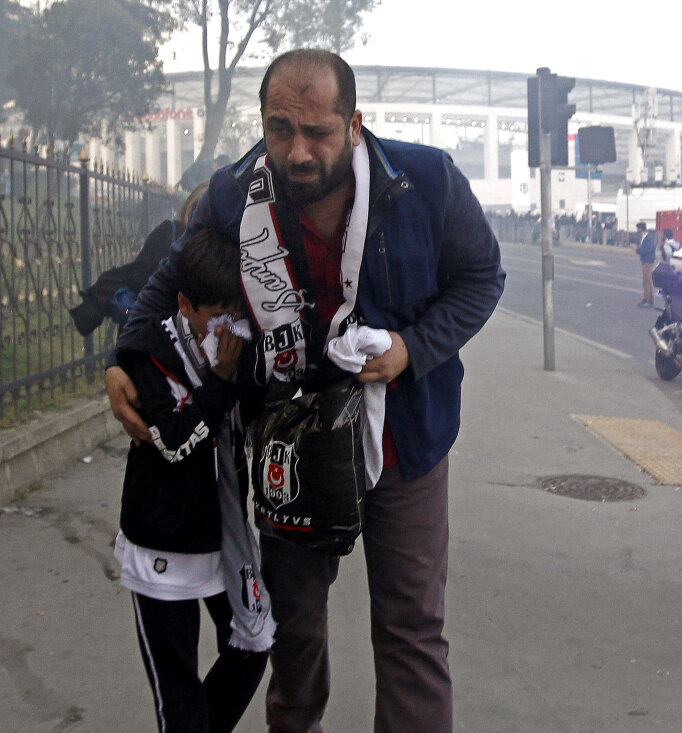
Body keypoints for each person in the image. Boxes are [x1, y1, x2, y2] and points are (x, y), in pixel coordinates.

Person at [104, 48, 505, 732]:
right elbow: (167, 272)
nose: (297, 151)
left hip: (403, 436)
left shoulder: (427, 181)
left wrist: (413, 348)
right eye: (279, 129)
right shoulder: (236, 192)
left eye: (317, 131)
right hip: (287, 441)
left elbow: (481, 279)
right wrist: (126, 354)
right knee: (294, 627)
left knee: (411, 627)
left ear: (354, 124)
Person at [113, 229, 269, 733]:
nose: (230, 328)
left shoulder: (237, 348)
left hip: (223, 537)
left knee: (254, 643)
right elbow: (176, 443)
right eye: (217, 315)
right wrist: (221, 381)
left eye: (237, 314)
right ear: (184, 304)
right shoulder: (148, 354)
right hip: (164, 542)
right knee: (177, 693)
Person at [70, 183, 210, 336]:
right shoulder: (168, 232)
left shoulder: (215, 245)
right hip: (147, 328)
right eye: (196, 209)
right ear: (188, 208)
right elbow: (140, 275)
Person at [635, 221, 657, 307]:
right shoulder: (646, 237)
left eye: (637, 228)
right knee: (648, 280)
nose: (637, 230)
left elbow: (647, 250)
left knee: (645, 281)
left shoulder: (648, 238)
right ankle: (650, 298)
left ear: (640, 229)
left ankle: (646, 299)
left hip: (647, 261)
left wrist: (636, 250)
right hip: (647, 260)